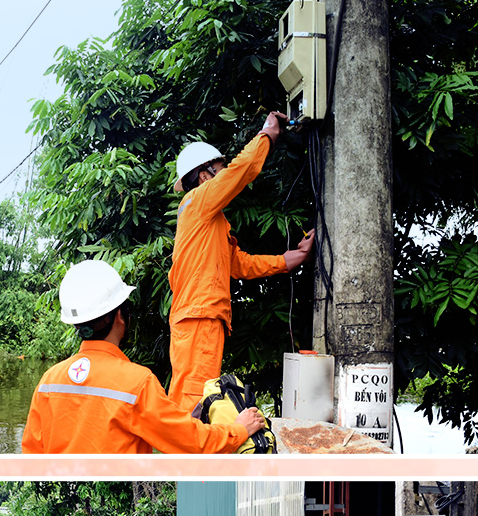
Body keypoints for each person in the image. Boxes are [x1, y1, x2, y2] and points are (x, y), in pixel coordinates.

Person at [22, 259, 266, 454]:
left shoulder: (48, 382)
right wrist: (238, 429)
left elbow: (32, 456)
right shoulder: (136, 383)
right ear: (120, 315)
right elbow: (191, 443)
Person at [167, 111, 314, 411]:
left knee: (191, 397)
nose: (224, 174)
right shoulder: (199, 201)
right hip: (200, 316)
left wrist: (289, 259)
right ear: (205, 175)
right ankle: (187, 456)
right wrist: (267, 135)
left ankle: (181, 454)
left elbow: (240, 265)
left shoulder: (209, 220)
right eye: (219, 169)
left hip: (198, 317)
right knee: (195, 400)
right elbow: (241, 171)